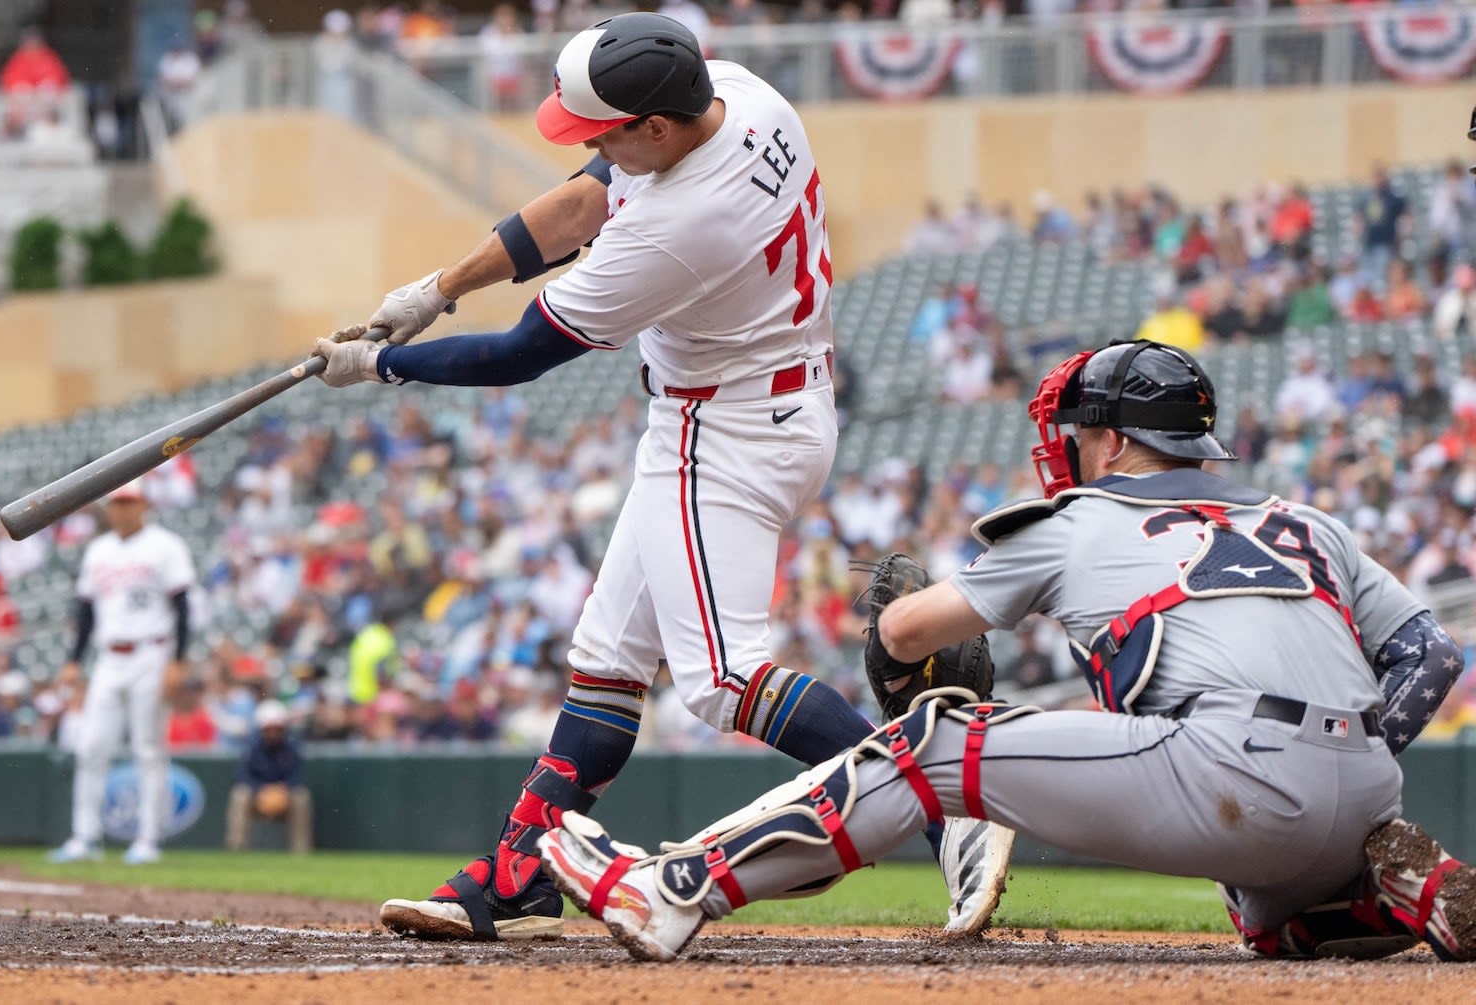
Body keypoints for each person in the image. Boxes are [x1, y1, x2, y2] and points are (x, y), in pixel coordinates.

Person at [311, 12, 1010, 942]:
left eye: (607, 130)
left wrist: (385, 366)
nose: (594, 144)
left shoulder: (686, 224)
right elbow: (578, 201)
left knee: (721, 678)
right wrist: (439, 289)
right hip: (751, 402)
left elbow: (521, 354)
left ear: (657, 128)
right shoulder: (740, 95)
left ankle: (942, 797)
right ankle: (523, 868)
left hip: (723, 426)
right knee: (606, 658)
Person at [536, 341, 1476, 965]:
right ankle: (1402, 885)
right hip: (1361, 789)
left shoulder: (1076, 518)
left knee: (932, 741)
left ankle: (674, 887)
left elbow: (906, 638)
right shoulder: (1304, 521)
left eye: (1076, 434)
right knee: (1266, 916)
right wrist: (1343, 761)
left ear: (1111, 441)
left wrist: (894, 619)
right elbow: (1431, 656)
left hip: (1228, 770)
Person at [49, 480, 196, 866]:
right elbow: (85, 612)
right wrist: (72, 661)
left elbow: (183, 607)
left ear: (144, 504)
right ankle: (85, 837)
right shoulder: (99, 549)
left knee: (147, 749)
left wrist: (179, 661)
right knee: (92, 747)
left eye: (129, 502)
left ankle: (148, 838)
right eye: (116, 503)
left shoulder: (166, 545)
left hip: (152, 651)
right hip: (108, 657)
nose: (122, 510)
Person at [225, 700, 312, 853]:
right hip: (258, 796)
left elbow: (296, 775)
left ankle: (301, 850)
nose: (273, 733)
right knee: (240, 795)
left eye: (276, 729)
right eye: (269, 729)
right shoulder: (252, 748)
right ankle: (237, 847)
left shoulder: (290, 748)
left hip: (283, 795)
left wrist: (282, 791)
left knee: (301, 797)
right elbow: (243, 775)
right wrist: (261, 791)